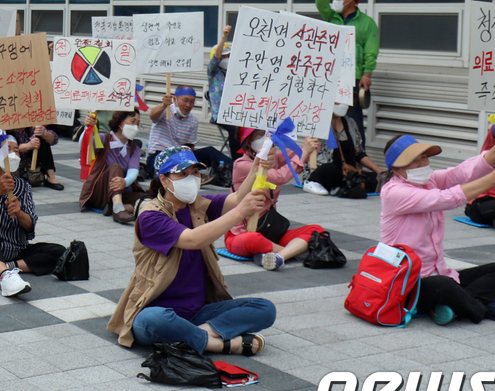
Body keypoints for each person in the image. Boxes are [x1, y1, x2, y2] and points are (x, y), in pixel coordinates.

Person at [107, 146, 276, 355]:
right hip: (158, 311)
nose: (192, 178)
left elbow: (236, 199)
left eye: (195, 172)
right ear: (164, 180)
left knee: (265, 309)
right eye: (183, 174)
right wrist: (241, 211)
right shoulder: (150, 216)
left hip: (199, 312)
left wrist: (256, 169)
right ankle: (219, 344)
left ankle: (194, 336)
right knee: (150, 320)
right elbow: (193, 239)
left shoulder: (197, 206)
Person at [381, 133, 495, 324]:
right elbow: (446, 199)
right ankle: (480, 309)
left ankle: (457, 307)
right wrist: (494, 179)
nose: (422, 164)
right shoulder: (393, 192)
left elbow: (462, 173)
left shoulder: (429, 181)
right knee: (442, 285)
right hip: (408, 284)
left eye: (424, 157)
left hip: (439, 273)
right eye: (414, 161)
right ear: (396, 169)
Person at [0, 136, 66, 297]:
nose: (13, 154)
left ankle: (6, 266)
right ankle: (5, 277)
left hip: (13, 249)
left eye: (16, 150)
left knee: (58, 251)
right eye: (8, 149)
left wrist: (20, 213)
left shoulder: (23, 185)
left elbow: (30, 225)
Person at [224, 129, 324, 270]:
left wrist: (310, 144)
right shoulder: (242, 164)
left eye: (266, 133)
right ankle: (292, 251)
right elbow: (280, 177)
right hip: (241, 234)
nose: (265, 138)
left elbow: (296, 154)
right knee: (253, 239)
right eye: (258, 134)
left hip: (269, 231)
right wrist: (303, 154)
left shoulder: (274, 158)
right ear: (248, 142)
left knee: (316, 230)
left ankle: (278, 256)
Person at [317, 0, 380, 144]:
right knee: (328, 117)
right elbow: (320, 3)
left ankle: (357, 155)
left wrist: (367, 74)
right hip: (330, 75)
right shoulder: (331, 17)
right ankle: (331, 153)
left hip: (353, 78)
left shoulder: (367, 23)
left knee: (353, 119)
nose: (334, 1)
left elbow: (371, 50)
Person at [145, 87, 231, 181]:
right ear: (175, 99)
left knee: (210, 152)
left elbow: (190, 146)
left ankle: (235, 170)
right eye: (185, 100)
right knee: (172, 159)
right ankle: (188, 175)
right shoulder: (165, 110)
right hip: (160, 156)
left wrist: (191, 160)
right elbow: (153, 116)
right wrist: (164, 105)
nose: (188, 105)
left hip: (181, 156)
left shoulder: (193, 120)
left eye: (192, 102)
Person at [80, 111, 146, 224]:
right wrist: (88, 127)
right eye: (132, 121)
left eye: (138, 123)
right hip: (101, 192)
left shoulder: (134, 147)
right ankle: (118, 209)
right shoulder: (104, 138)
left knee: (148, 198)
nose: (135, 126)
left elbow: (133, 171)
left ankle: (114, 207)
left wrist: (125, 182)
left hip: (123, 191)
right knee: (115, 167)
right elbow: (84, 146)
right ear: (120, 122)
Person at [304, 102, 383, 196]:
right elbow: (313, 156)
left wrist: (378, 170)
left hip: (349, 172)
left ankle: (349, 185)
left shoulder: (351, 123)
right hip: (328, 171)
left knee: (377, 179)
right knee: (330, 170)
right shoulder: (318, 123)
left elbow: (359, 153)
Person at [207, 26, 241, 156]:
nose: (226, 58)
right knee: (235, 130)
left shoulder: (235, 73)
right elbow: (216, 58)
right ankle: (237, 160)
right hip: (220, 114)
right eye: (224, 56)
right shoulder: (213, 72)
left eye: (228, 55)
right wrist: (224, 37)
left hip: (237, 113)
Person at [10, 125, 65, 190]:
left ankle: (51, 178)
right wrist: (26, 146)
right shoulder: (5, 129)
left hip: (31, 163)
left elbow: (54, 140)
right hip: (14, 164)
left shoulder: (32, 126)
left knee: (43, 141)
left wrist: (43, 134)